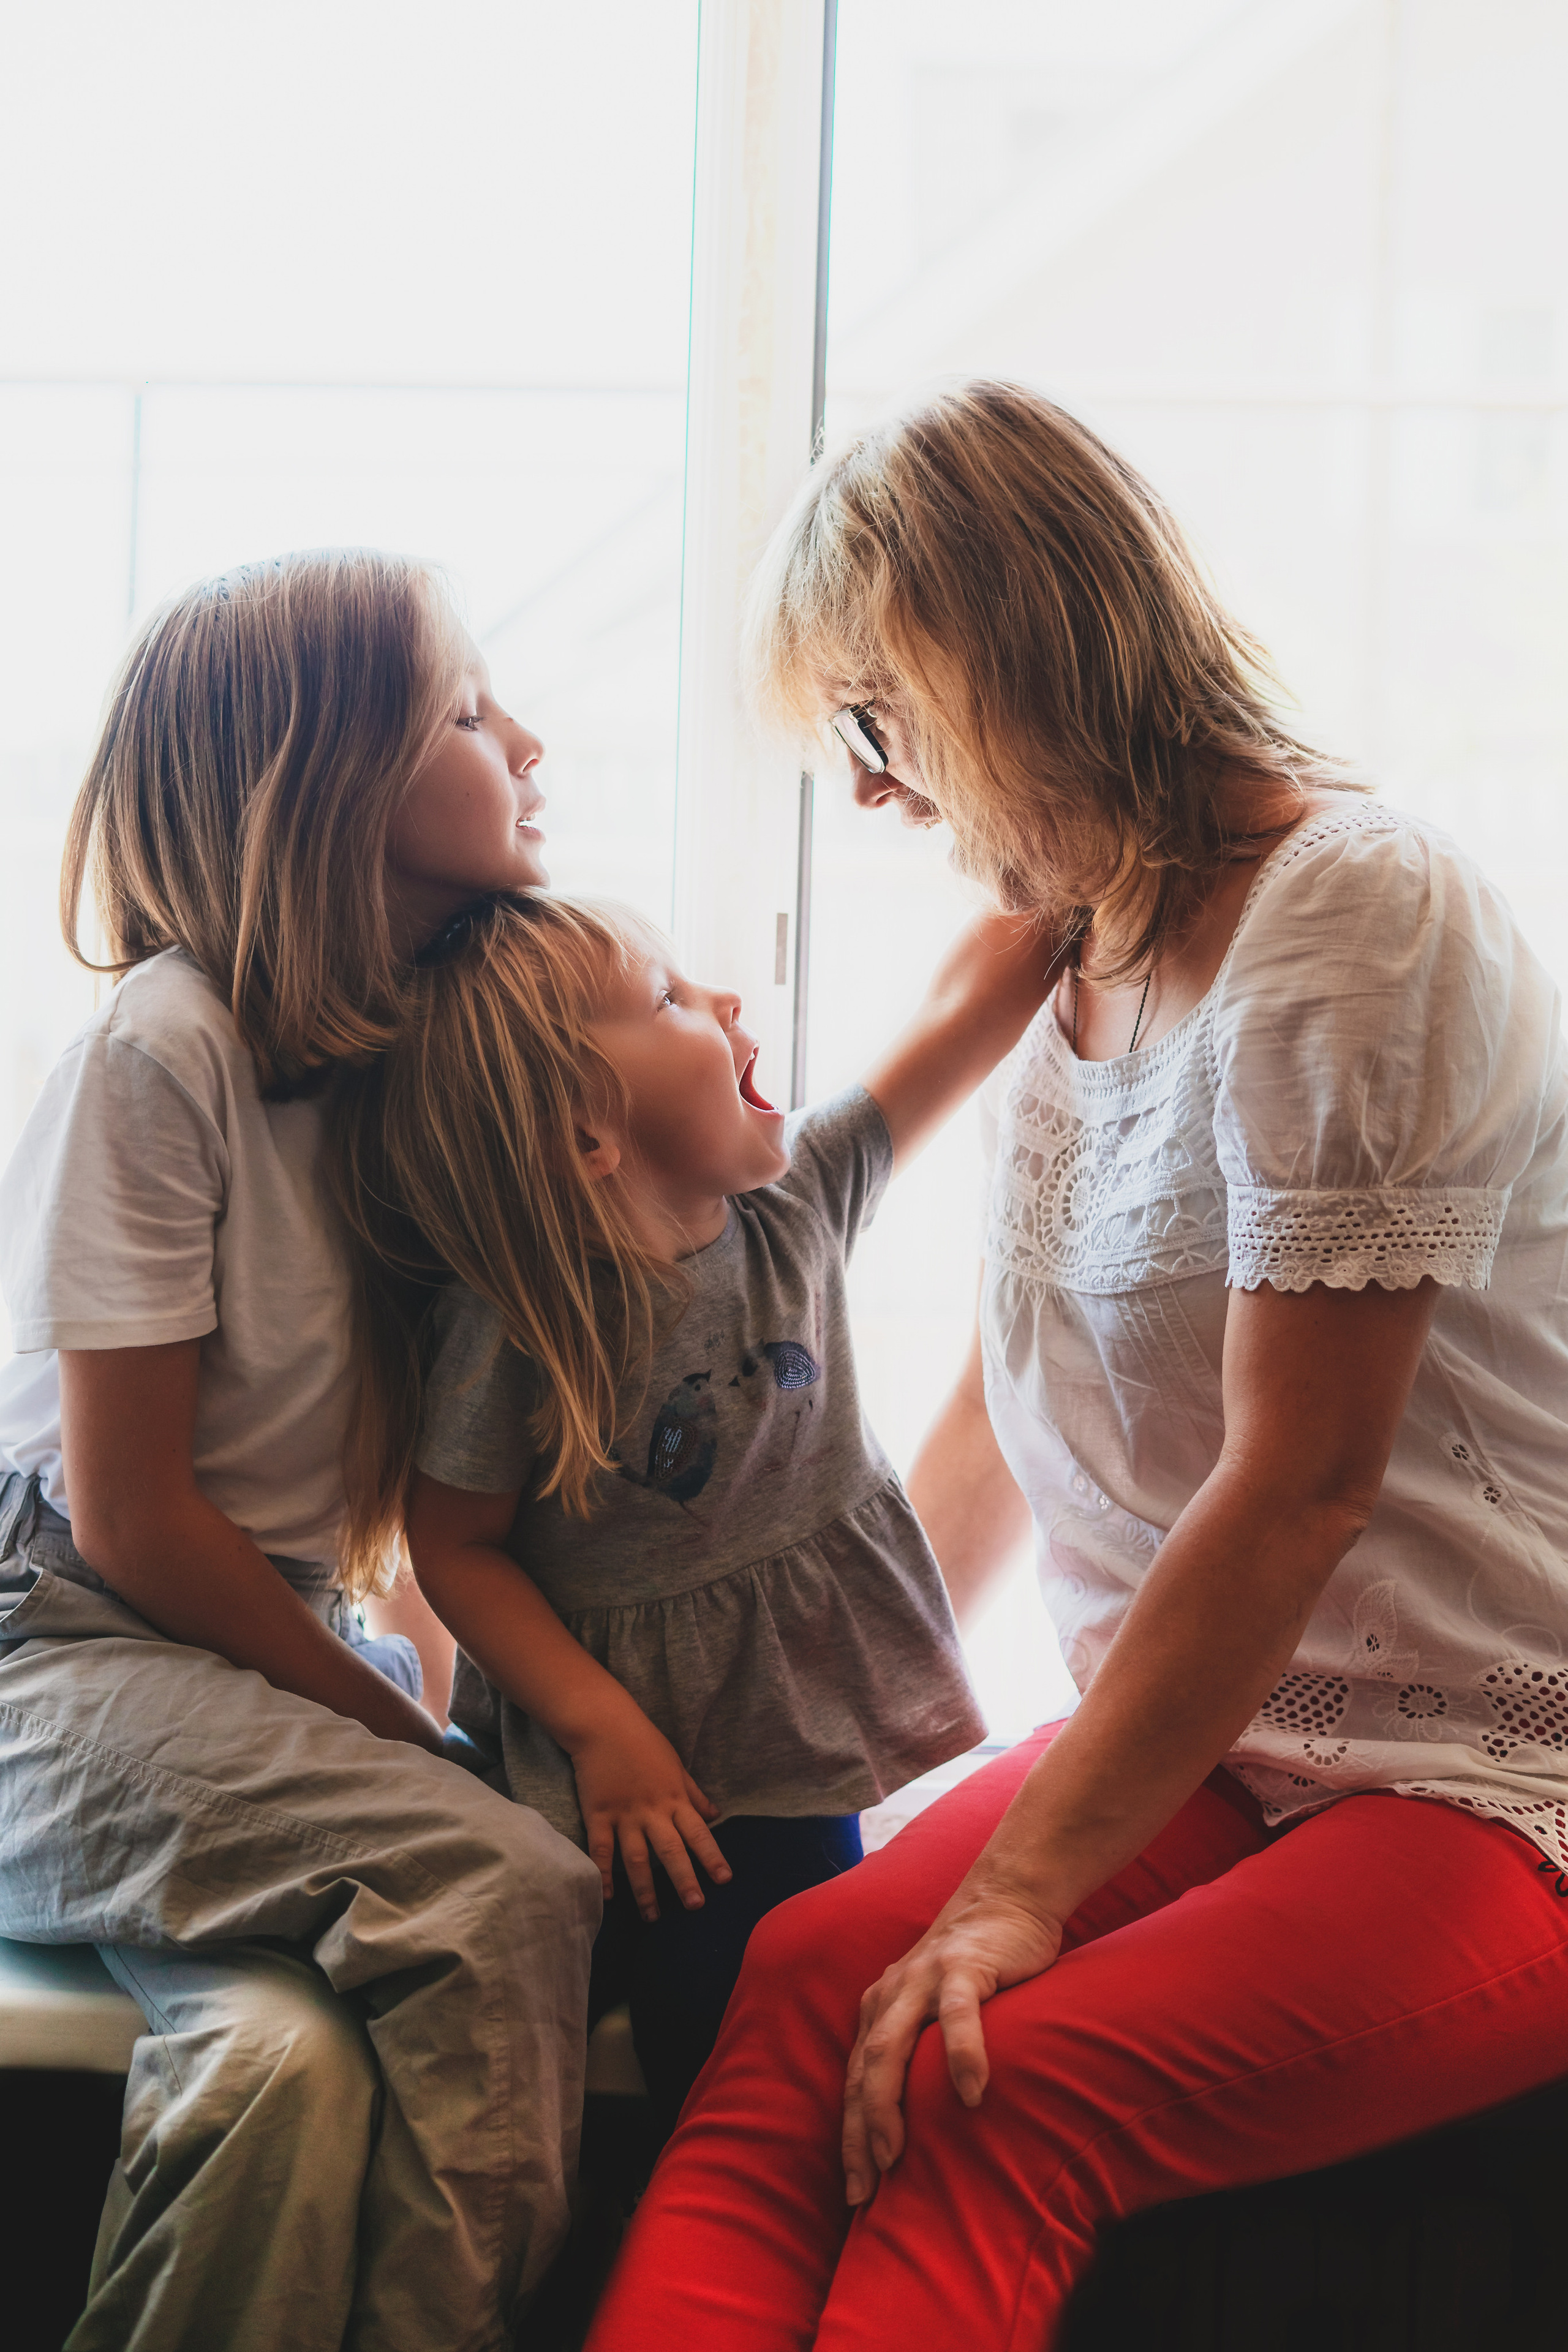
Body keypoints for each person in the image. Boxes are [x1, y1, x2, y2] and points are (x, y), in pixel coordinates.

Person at [582, 380, 1568, 2350]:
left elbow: (1301, 1486)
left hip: (1472, 1772)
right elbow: (1013, 1410)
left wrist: (1021, 1892)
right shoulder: (1084, 950)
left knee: (991, 2086)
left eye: (874, 720)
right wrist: (828, 1726)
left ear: (1001, 659)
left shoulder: (1362, 913)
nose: (868, 789)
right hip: (1217, 1742)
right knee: (800, 1991)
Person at [0, 551, 603, 2352]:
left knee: (282, 2063)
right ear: (329, 775)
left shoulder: (391, 1059)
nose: (531, 740)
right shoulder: (161, 1051)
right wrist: (397, 1726)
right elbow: (135, 1518)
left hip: (231, 1648)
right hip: (70, 1649)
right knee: (506, 1884)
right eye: (475, 712)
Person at [328, 886, 1048, 2135]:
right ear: (586, 1138)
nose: (721, 998)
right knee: (535, 2087)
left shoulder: (800, 1200)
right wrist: (601, 1730)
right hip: (611, 1795)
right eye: (667, 999)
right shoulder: (513, 1324)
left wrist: (1063, 867)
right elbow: (455, 1546)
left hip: (790, 1749)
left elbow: (967, 1007)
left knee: (763, 2075)